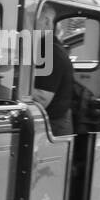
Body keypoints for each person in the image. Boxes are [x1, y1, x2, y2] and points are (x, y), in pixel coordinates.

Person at [33, 8, 74, 136]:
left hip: (52, 127)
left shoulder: (48, 51)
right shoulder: (44, 47)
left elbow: (41, 99)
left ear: (46, 22)